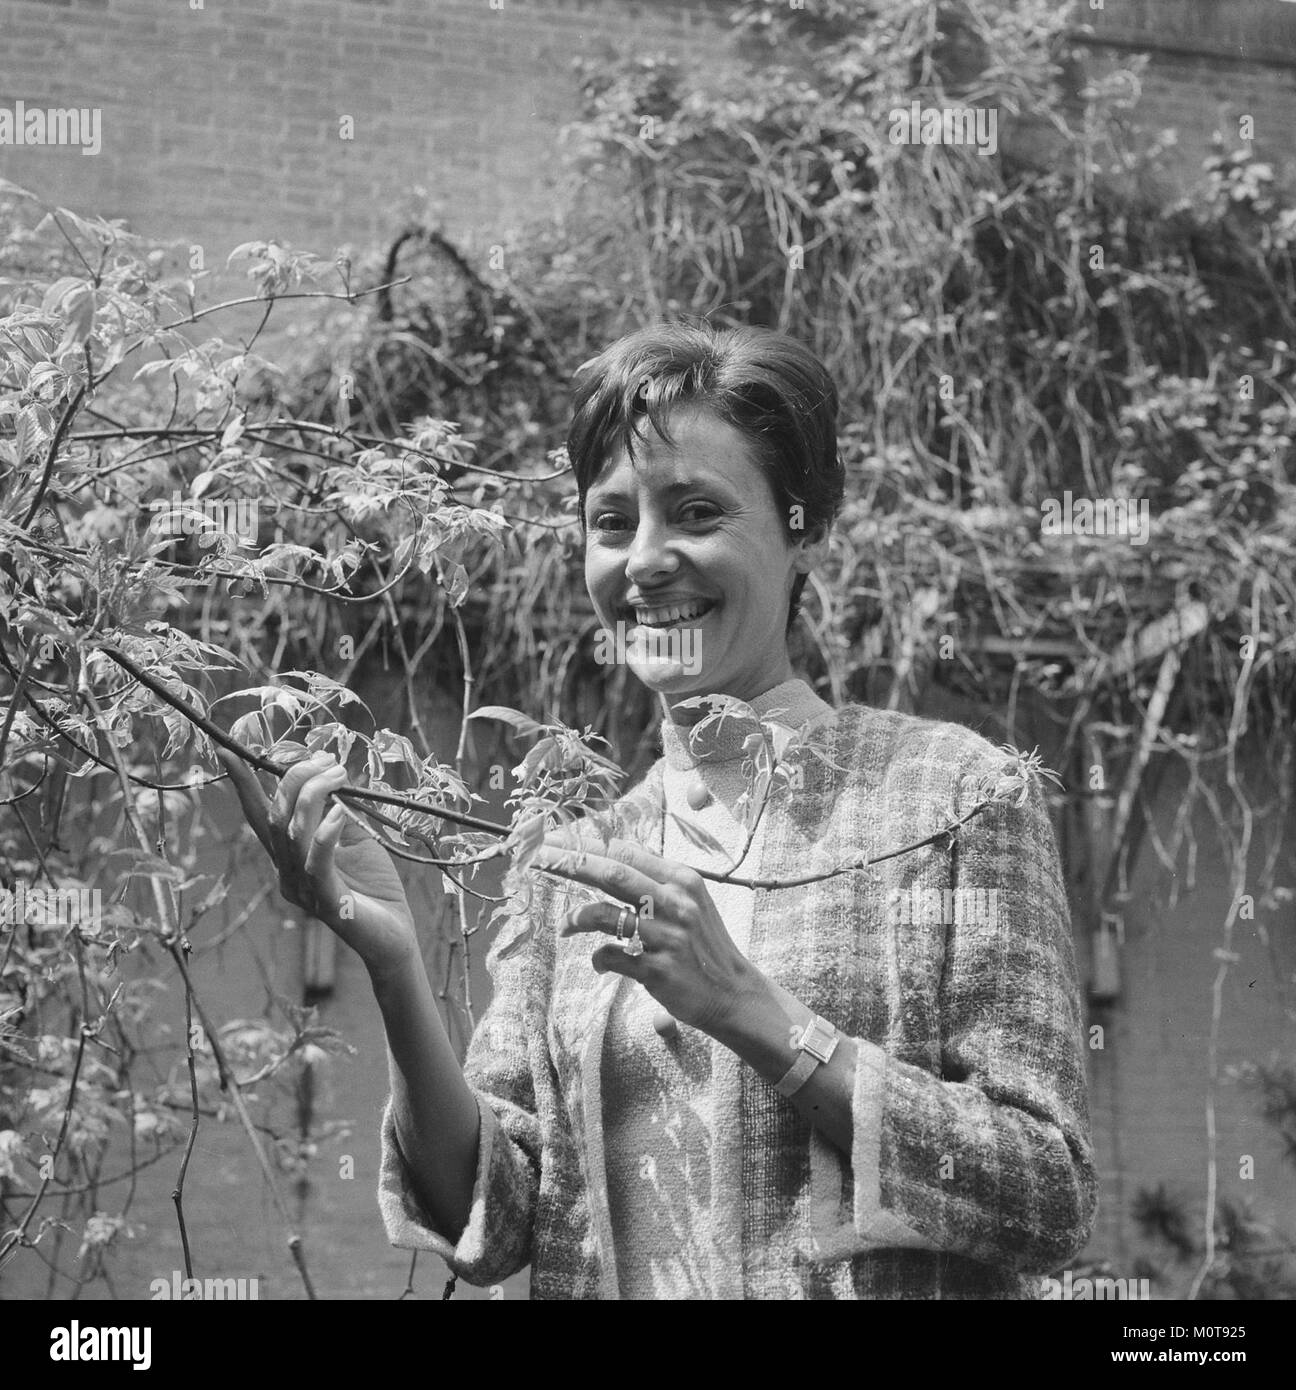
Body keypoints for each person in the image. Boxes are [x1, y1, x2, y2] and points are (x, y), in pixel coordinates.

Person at [219, 322, 1097, 1299]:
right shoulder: (575, 856)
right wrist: (389, 961)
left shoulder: (949, 797)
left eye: (696, 511)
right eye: (611, 521)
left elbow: (1045, 1192)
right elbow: (500, 1214)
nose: (645, 560)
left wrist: (761, 1018)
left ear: (803, 526)